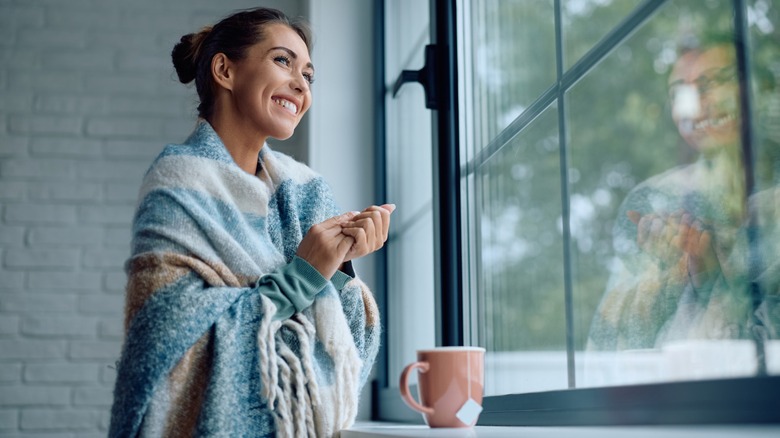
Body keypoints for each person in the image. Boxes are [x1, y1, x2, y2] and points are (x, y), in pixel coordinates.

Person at [109, 7, 393, 437]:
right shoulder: (180, 182)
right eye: (283, 61)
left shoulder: (307, 192)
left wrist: (340, 265)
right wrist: (302, 276)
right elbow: (163, 341)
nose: (301, 84)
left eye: (309, 75)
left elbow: (345, 353)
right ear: (225, 69)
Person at [587, 35, 779, 353]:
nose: (695, 104)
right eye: (680, 93)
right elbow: (609, 342)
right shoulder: (654, 200)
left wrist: (710, 277)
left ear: (759, 88)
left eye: (717, 81)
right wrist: (665, 277)